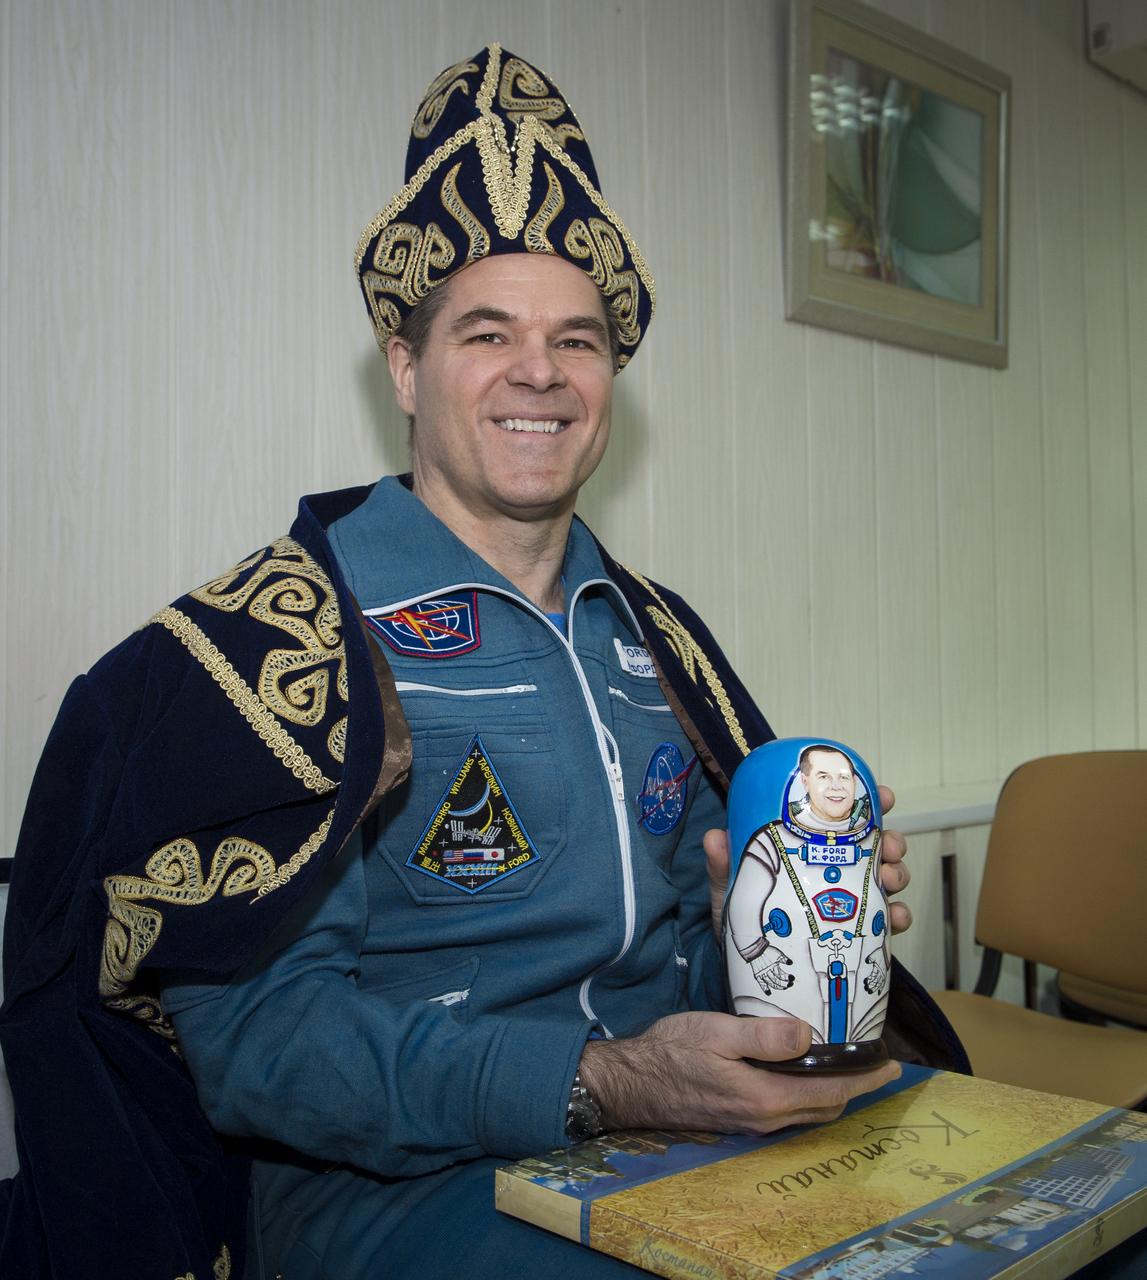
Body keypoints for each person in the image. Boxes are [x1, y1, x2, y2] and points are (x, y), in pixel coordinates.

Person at [0, 44, 968, 1280]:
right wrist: (607, 1080)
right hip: (397, 1190)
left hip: (693, 1133)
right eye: (487, 331)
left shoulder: (660, 639)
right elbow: (264, 1043)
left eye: (577, 338)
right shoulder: (282, 645)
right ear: (405, 366)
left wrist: (783, 927)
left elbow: (701, 967)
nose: (540, 371)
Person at [724, 743, 889, 1055]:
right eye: (824, 776)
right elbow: (744, 898)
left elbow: (877, 902)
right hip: (783, 974)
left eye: (844, 777)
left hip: (862, 977)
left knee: (862, 1027)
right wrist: (755, 952)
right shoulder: (773, 841)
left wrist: (880, 952)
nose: (836, 786)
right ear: (805, 782)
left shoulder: (871, 842)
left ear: (856, 783)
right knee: (777, 1031)